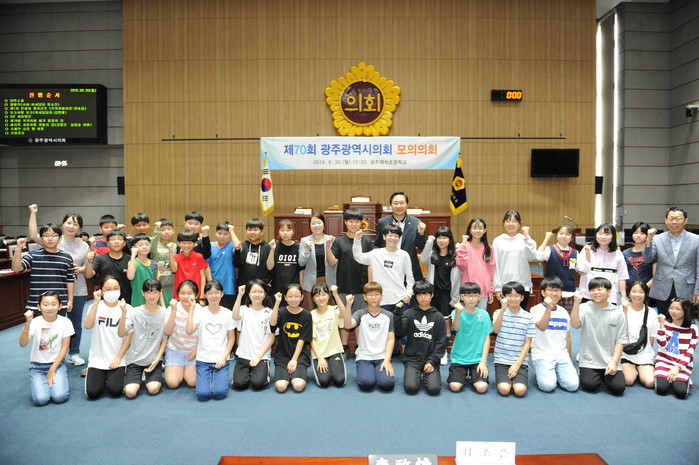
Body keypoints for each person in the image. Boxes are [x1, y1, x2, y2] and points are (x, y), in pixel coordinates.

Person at [28, 204, 89, 366]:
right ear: (62, 224)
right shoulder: (54, 239)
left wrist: (80, 268)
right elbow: (33, 235)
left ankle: (74, 353)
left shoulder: (84, 245)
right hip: (55, 290)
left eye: (75, 224)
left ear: (79, 228)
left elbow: (87, 268)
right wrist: (33, 213)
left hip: (78, 289)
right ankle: (48, 355)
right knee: (51, 324)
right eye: (69, 222)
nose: (71, 226)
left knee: (75, 323)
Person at [571, 277, 626, 396]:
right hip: (589, 360)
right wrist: (576, 303)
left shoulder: (617, 312)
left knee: (618, 388)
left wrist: (614, 363)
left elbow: (620, 341)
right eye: (592, 290)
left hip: (610, 360)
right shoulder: (585, 308)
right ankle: (592, 373)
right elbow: (575, 325)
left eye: (600, 289)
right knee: (590, 386)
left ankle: (604, 374)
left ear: (609, 292)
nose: (596, 292)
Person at [328, 208, 372, 357]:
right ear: (345, 222)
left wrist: (369, 285)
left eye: (357, 221)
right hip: (344, 285)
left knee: (360, 318)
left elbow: (370, 264)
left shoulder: (366, 241)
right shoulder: (339, 241)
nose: (354, 224)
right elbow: (332, 262)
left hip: (361, 286)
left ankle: (360, 347)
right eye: (351, 221)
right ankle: (344, 347)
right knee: (343, 319)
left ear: (361, 223)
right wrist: (327, 247)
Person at [19, 292, 73, 406]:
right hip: (37, 367)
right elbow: (23, 344)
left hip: (57, 365)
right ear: (39, 307)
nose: (49, 308)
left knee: (59, 397)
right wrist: (27, 323)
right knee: (41, 400)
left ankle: (54, 380)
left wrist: (52, 370)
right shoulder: (35, 322)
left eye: (53, 304)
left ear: (60, 306)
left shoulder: (65, 322)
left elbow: (64, 348)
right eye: (45, 304)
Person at [394, 280, 448, 395]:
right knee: (411, 388)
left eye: (426, 294)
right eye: (419, 295)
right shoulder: (409, 313)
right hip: (412, 359)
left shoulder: (438, 316)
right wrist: (397, 314)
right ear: (415, 296)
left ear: (432, 295)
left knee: (434, 389)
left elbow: (441, 342)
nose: (423, 298)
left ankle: (429, 370)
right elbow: (399, 332)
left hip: (431, 359)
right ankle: (414, 372)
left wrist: (432, 361)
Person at [117, 278, 169, 399]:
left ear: (160, 293)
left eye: (155, 292)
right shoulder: (134, 312)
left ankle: (146, 377)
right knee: (130, 392)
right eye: (148, 292)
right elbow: (121, 333)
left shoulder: (164, 314)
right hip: (135, 361)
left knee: (153, 389)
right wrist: (123, 313)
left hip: (153, 361)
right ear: (143, 293)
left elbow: (164, 340)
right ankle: (138, 377)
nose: (152, 296)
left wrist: (157, 360)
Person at [643, 207, 699, 316]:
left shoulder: (696, 240)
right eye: (671, 218)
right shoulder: (657, 239)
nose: (674, 222)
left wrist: (698, 290)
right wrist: (648, 239)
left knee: (685, 322)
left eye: (678, 219)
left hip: (687, 288)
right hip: (662, 288)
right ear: (666, 220)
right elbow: (647, 259)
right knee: (663, 321)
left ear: (685, 220)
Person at [186, 280, 237, 401]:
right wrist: (192, 308)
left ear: (222, 294)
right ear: (205, 295)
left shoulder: (227, 313)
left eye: (216, 292)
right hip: (203, 359)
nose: (213, 296)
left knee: (220, 394)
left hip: (221, 360)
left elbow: (231, 339)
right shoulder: (200, 312)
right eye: (210, 293)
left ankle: (216, 377)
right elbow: (189, 330)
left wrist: (224, 357)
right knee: (202, 395)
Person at [84, 276, 132, 399]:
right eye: (108, 289)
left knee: (115, 390)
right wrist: (95, 302)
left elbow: (128, 337)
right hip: (98, 358)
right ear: (101, 290)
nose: (112, 292)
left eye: (116, 288)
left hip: (118, 358)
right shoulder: (95, 306)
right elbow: (88, 326)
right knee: (93, 393)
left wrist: (119, 358)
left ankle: (111, 377)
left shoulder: (127, 308)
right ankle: (100, 376)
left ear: (120, 289)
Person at [342, 282, 395, 392]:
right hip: (364, 356)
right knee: (366, 383)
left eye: (376, 294)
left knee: (387, 384)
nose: (373, 298)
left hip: (382, 357)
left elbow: (390, 339)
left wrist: (387, 360)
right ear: (365, 297)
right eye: (370, 295)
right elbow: (347, 325)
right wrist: (348, 305)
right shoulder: (360, 314)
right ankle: (368, 371)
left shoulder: (388, 315)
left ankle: (378, 371)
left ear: (381, 296)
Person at [530, 276, 579, 392]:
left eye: (557, 290)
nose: (554, 293)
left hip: (561, 355)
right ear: (543, 292)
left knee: (573, 386)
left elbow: (567, 337)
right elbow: (542, 326)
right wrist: (548, 308)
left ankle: (556, 372)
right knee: (548, 386)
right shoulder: (535, 310)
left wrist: (568, 359)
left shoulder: (563, 312)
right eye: (550, 290)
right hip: (542, 355)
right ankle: (542, 371)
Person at [420, 226, 460, 365]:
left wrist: (455, 298)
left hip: (447, 294)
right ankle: (433, 350)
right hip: (432, 293)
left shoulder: (454, 255)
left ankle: (442, 351)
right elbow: (423, 260)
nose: (442, 240)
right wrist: (430, 241)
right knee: (432, 322)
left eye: (445, 237)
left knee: (445, 322)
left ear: (450, 240)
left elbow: (458, 277)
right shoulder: (432, 254)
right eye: (439, 237)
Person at [12, 229, 74, 316]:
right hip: (37, 303)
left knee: (58, 325)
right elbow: (16, 268)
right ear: (41, 238)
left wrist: (70, 300)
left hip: (59, 303)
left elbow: (70, 280)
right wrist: (18, 248)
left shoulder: (67, 257)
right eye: (46, 235)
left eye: (54, 235)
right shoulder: (33, 255)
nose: (50, 238)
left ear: (60, 238)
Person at [353, 226, 414, 313]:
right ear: (384, 237)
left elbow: (410, 278)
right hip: (381, 301)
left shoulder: (404, 255)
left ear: (399, 238)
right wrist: (357, 240)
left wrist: (409, 294)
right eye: (390, 235)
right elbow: (358, 257)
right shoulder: (376, 253)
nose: (393, 238)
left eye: (396, 236)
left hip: (401, 299)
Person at [492, 281, 536, 397]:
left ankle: (516, 377)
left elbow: (527, 343)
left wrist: (517, 364)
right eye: (509, 295)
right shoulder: (498, 313)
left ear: (522, 298)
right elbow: (495, 330)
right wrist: (502, 310)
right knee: (504, 389)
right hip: (501, 359)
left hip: (519, 360)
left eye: (517, 296)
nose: (513, 299)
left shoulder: (529, 317)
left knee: (520, 391)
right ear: (504, 297)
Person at [447, 282, 492, 394]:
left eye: (474, 295)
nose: (471, 299)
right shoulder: (455, 312)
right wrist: (458, 313)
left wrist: (483, 362)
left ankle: (472, 374)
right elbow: (456, 328)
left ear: (479, 297)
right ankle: (466, 373)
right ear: (461, 297)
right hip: (459, 358)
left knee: (482, 388)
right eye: (467, 295)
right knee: (455, 386)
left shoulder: (484, 314)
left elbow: (487, 339)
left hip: (477, 359)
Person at [232, 279, 276, 390]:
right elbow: (234, 316)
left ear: (265, 294)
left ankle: (260, 372)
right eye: (254, 292)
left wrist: (259, 356)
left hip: (261, 356)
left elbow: (271, 338)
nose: (257, 295)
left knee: (258, 383)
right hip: (244, 355)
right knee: (239, 384)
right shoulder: (243, 309)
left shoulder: (269, 313)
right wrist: (239, 295)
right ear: (248, 294)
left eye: (260, 292)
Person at [269, 283, 312, 393]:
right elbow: (272, 324)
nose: (293, 299)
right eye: (290, 296)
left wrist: (294, 360)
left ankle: (297, 374)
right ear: (285, 297)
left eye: (297, 296)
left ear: (302, 297)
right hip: (282, 354)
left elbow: (302, 339)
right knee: (281, 387)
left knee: (298, 386)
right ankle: (287, 375)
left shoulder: (306, 314)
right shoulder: (281, 312)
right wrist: (277, 303)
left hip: (299, 355)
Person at [374, 191, 426, 282]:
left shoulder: (415, 222)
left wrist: (421, 233)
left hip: (409, 267)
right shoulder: (383, 222)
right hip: (388, 267)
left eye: (402, 203)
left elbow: (421, 246)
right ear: (391, 205)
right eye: (395, 203)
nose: (399, 206)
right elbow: (377, 244)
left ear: (406, 204)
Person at [536, 224, 587, 312]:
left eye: (567, 234)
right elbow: (539, 256)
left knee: (568, 317)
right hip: (552, 292)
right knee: (550, 315)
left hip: (569, 292)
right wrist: (547, 238)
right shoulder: (550, 249)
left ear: (572, 237)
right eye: (561, 233)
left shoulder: (575, 252)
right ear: (557, 236)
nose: (564, 236)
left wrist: (588, 255)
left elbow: (583, 269)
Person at [492, 210, 537, 308]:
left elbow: (532, 256)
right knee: (505, 314)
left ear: (519, 224)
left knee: (521, 313)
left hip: (523, 285)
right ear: (503, 223)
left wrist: (527, 237)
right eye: (508, 221)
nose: (511, 224)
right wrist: (497, 287)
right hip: (504, 284)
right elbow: (495, 265)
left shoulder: (525, 239)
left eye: (514, 221)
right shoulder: (498, 240)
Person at [309, 283, 351, 388]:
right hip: (319, 354)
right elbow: (312, 340)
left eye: (324, 294)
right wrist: (320, 358)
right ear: (313, 299)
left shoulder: (334, 309)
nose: (321, 298)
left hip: (334, 351)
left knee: (340, 380)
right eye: (317, 295)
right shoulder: (310, 315)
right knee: (324, 381)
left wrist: (336, 295)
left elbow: (345, 315)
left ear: (328, 296)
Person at [654, 297, 697, 399]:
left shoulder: (692, 328)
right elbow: (662, 345)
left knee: (681, 393)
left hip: (682, 364)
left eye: (678, 309)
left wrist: (678, 367)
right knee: (661, 389)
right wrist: (661, 325)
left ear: (685, 310)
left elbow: (690, 351)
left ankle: (684, 379)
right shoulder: (665, 323)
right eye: (671, 308)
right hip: (664, 360)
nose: (674, 311)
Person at [620, 281, 659, 388]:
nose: (637, 295)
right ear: (629, 293)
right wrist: (624, 311)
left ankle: (640, 369)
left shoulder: (651, 312)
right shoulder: (621, 309)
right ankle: (632, 370)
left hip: (644, 353)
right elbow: (618, 332)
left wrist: (648, 354)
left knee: (650, 382)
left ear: (646, 294)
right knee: (628, 380)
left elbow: (651, 337)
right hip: (626, 352)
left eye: (641, 292)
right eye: (634, 291)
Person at [578, 223, 628, 304]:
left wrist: (623, 296)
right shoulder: (587, 250)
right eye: (600, 234)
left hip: (609, 297)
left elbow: (622, 277)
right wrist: (587, 255)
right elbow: (581, 272)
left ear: (613, 236)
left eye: (607, 234)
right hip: (588, 294)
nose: (603, 237)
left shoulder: (618, 253)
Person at [163, 280, 201, 389]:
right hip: (175, 351)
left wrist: (197, 350)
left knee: (192, 382)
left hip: (193, 352)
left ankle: (186, 370)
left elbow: (204, 335)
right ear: (178, 294)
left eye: (189, 293)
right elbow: (167, 332)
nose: (186, 296)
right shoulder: (172, 308)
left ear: (196, 295)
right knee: (172, 383)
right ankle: (178, 368)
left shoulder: (200, 310)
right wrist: (173, 311)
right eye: (182, 293)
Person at [455, 217, 496, 311]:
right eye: (474, 228)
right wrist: (463, 245)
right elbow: (460, 265)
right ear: (470, 230)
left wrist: (490, 290)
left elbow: (491, 272)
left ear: (485, 230)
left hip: (483, 291)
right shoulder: (464, 246)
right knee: (466, 317)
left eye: (480, 228)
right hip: (467, 291)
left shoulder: (489, 248)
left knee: (480, 317)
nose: (477, 231)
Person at [298, 212, 337, 309]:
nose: (316, 226)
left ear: (324, 224)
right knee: (312, 310)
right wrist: (307, 250)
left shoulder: (331, 239)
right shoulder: (304, 241)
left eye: (319, 222)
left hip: (328, 280)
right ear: (310, 226)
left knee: (327, 310)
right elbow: (301, 262)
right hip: (311, 282)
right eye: (313, 223)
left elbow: (335, 262)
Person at [85, 229, 132, 304]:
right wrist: (89, 262)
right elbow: (88, 275)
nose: (116, 242)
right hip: (105, 300)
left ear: (124, 243)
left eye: (119, 239)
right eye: (112, 239)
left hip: (126, 300)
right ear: (107, 243)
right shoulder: (100, 259)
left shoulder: (130, 259)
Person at [266, 220, 304, 303]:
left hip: (294, 289)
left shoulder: (299, 247)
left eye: (288, 230)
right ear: (278, 232)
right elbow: (269, 267)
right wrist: (272, 250)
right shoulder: (274, 246)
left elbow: (301, 270)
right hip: (277, 289)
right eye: (282, 230)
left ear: (293, 231)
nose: (285, 233)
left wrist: (301, 288)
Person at [170, 229, 210, 302]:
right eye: (184, 243)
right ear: (178, 243)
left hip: (195, 296)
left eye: (190, 243)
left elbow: (203, 278)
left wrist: (201, 297)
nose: (187, 245)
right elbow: (173, 270)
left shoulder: (199, 257)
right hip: (179, 296)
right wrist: (170, 253)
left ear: (195, 244)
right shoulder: (175, 257)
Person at [208, 222, 240, 310]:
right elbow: (206, 266)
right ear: (215, 233)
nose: (222, 236)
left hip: (229, 288)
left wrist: (232, 231)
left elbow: (238, 246)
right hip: (213, 288)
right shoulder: (210, 246)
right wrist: (210, 283)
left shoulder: (231, 245)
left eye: (226, 234)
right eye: (219, 233)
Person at [234, 218, 272, 288]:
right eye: (249, 230)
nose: (252, 232)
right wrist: (237, 251)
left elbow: (270, 269)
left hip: (261, 287)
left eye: (255, 230)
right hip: (244, 286)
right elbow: (237, 264)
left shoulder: (267, 247)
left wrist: (266, 283)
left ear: (262, 232)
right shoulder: (243, 246)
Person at [622, 221, 656, 296]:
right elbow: (622, 274)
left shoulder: (652, 253)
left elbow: (656, 275)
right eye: (636, 233)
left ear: (647, 235)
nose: (638, 235)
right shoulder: (625, 253)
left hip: (646, 292)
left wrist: (643, 289)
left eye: (642, 233)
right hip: (629, 292)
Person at [126, 233, 159, 307]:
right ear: (134, 247)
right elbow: (130, 276)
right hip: (138, 303)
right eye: (140, 245)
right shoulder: (133, 263)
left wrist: (162, 304)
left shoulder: (154, 264)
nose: (144, 247)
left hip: (154, 303)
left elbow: (158, 286)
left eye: (147, 244)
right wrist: (133, 255)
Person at [151, 219, 176, 303]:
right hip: (156, 287)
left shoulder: (176, 246)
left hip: (172, 287)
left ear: (173, 231)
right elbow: (153, 243)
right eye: (162, 230)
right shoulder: (154, 246)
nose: (166, 232)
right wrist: (157, 229)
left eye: (169, 229)